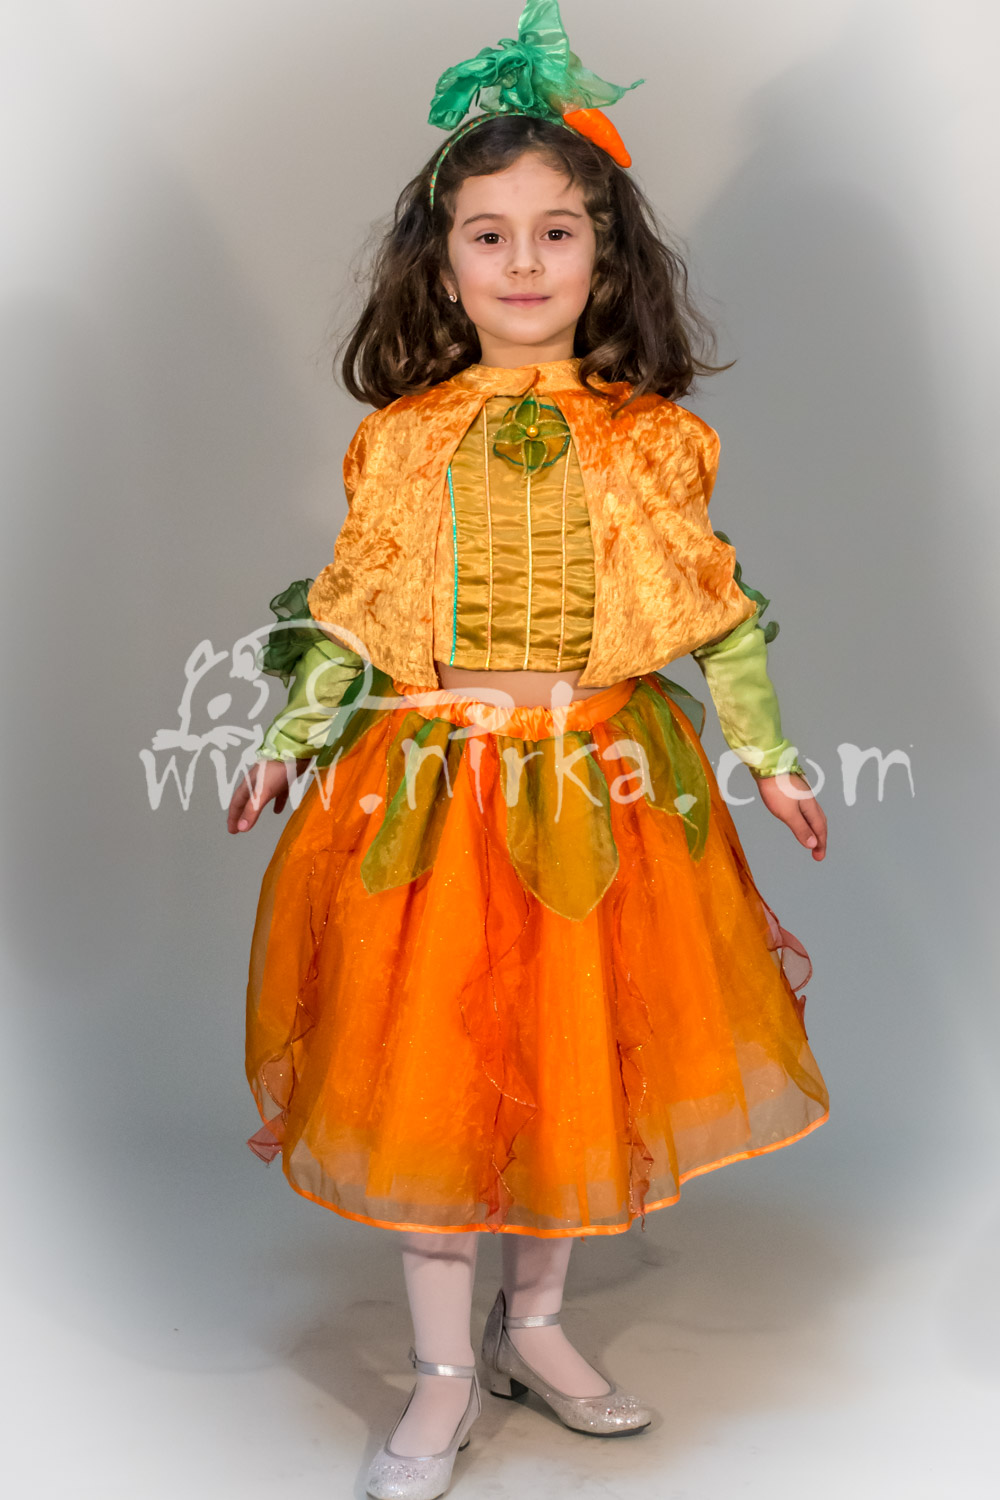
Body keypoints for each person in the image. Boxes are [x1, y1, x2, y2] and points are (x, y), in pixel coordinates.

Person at [227, 5, 830, 1496]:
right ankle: (442, 1370)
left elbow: (715, 609)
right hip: (435, 790)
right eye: (487, 237)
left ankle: (535, 1326)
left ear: (601, 260)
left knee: (570, 1073)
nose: (522, 263)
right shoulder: (407, 437)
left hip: (601, 784)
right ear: (442, 266)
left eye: (555, 234)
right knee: (434, 1076)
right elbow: (353, 609)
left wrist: (770, 757)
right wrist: (288, 739)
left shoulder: (651, 438)